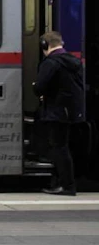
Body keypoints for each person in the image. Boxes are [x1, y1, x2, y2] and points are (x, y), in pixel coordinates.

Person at [36, 30, 84, 196]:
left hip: (56, 110)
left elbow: (39, 86)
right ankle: (63, 183)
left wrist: (39, 90)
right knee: (63, 146)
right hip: (71, 111)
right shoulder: (73, 61)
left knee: (59, 148)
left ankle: (67, 186)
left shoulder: (51, 62)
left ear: (45, 45)